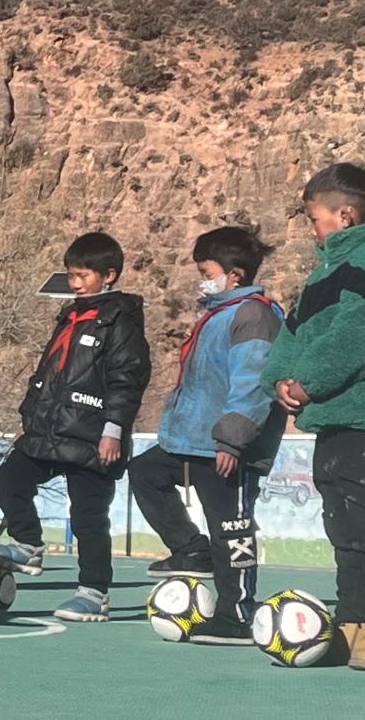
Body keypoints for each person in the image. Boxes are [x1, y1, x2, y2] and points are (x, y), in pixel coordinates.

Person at [130, 227, 285, 645]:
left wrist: (232, 439)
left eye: (206, 272)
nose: (202, 280)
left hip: (229, 446)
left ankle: (237, 615)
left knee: (231, 528)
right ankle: (190, 548)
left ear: (234, 274)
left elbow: (252, 383)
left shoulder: (253, 315)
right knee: (145, 472)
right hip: (193, 440)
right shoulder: (217, 314)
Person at [0, 232, 150, 622]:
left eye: (82, 275)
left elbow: (127, 378)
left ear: (108, 275)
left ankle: (94, 593)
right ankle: (28, 544)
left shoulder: (120, 320)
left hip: (93, 436)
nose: (74, 283)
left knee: (88, 517)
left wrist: (113, 429)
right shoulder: (70, 316)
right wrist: (30, 421)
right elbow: (47, 374)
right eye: (71, 275)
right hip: (49, 431)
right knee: (10, 476)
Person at [261, 162, 365, 670]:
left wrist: (309, 382)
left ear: (345, 217)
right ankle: (351, 625)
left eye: (313, 218)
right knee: (345, 529)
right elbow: (292, 334)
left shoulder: (361, 262)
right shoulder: (319, 276)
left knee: (360, 526)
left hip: (359, 419)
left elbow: (354, 333)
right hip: (332, 422)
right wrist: (279, 380)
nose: (310, 229)